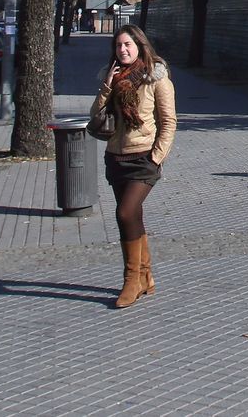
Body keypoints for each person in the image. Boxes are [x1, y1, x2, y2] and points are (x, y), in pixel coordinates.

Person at [89, 24, 176, 309]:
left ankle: (131, 280)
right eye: (118, 45)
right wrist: (107, 86)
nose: (123, 50)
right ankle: (145, 276)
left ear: (140, 45)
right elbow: (95, 116)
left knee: (124, 212)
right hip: (116, 156)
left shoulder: (156, 77)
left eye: (128, 44)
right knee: (133, 216)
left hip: (143, 159)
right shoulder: (111, 77)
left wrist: (156, 157)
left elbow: (168, 121)